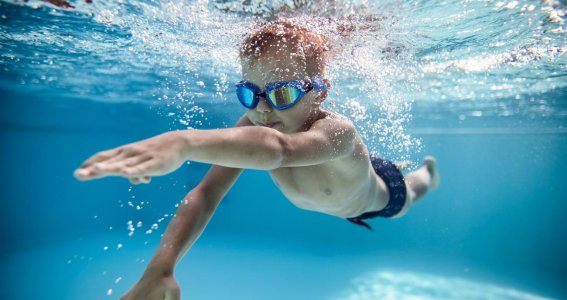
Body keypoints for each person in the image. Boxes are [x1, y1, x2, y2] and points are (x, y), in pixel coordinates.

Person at [74, 20, 439, 300]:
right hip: (339, 181)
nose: (263, 109)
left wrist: (183, 143)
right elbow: (205, 194)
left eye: (282, 93)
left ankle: (427, 173)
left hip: (378, 195)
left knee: (410, 192)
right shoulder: (254, 124)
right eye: (250, 94)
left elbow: (280, 150)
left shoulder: (337, 131)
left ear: (321, 91)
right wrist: (162, 267)